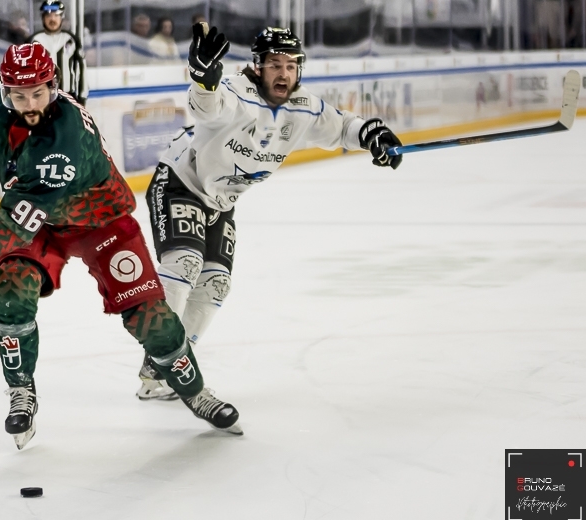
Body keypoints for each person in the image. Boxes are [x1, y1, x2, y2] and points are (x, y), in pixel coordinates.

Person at [0, 43, 242, 450]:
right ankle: (21, 391)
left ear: (53, 86)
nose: (29, 103)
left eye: (38, 93)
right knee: (11, 294)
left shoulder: (66, 137)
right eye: (19, 95)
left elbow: (19, 221)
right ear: (5, 90)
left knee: (151, 318)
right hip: (39, 222)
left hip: (99, 220)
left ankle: (196, 392)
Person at [136, 26, 404, 400]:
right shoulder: (234, 91)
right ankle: (165, 352)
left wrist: (372, 135)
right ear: (258, 66)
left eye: (292, 65)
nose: (284, 74)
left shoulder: (303, 106)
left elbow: (341, 126)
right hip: (182, 180)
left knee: (215, 284)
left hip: (221, 201)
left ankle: (159, 367)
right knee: (185, 264)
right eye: (275, 64)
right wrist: (203, 81)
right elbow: (206, 107)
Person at [30, 0, 87, 105]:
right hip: (42, 100)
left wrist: (82, 98)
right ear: (43, 18)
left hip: (68, 98)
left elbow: (81, 69)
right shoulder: (34, 41)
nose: (52, 19)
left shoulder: (71, 40)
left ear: (62, 17)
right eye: (48, 16)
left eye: (56, 15)